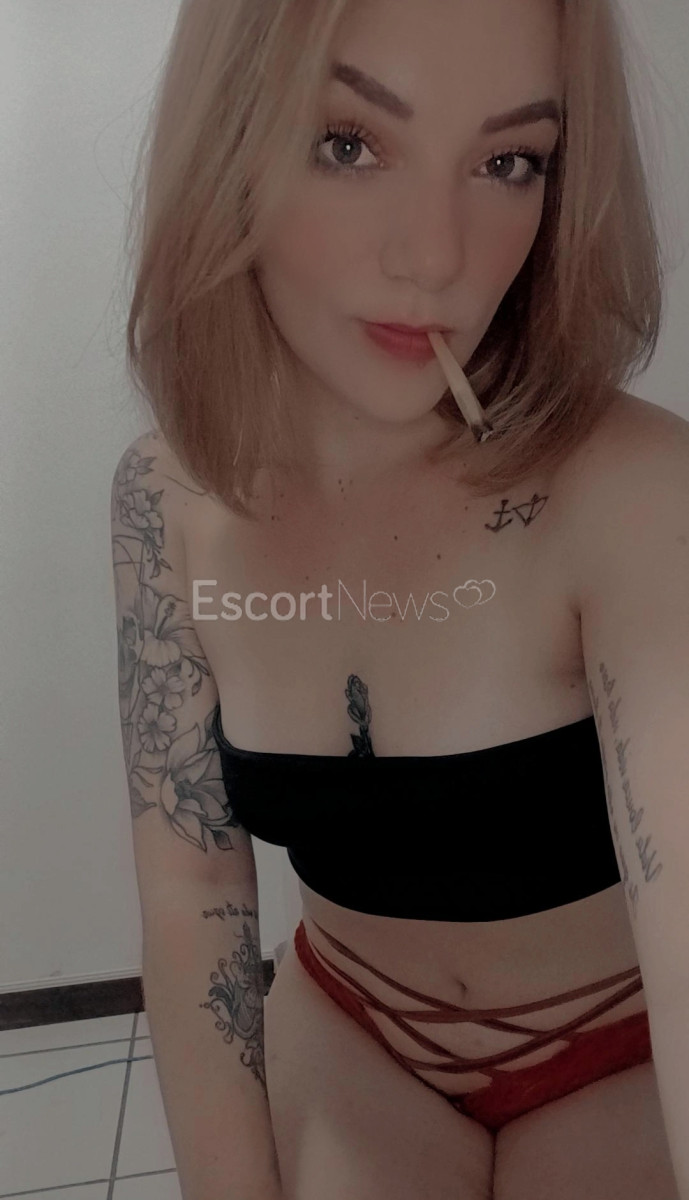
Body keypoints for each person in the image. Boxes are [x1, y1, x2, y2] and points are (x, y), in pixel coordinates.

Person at [111, 0, 689, 1196]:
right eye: (348, 143)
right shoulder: (166, 502)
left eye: (507, 162)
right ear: (229, 146)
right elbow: (192, 888)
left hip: (617, 1049)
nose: (435, 257)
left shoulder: (632, 491)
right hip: (354, 1029)